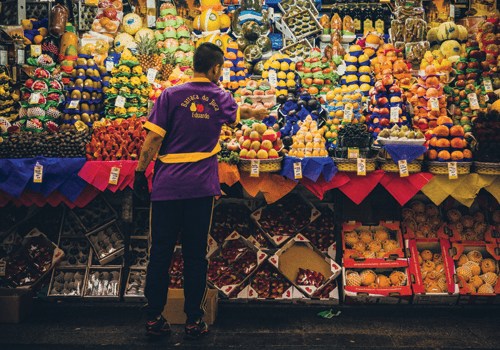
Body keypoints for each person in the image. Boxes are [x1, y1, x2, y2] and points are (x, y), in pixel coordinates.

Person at [133, 43, 267, 340]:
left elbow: (153, 139)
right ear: (216, 68)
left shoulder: (170, 95)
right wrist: (257, 110)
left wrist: (140, 173)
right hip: (200, 190)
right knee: (195, 255)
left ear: (194, 64)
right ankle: (194, 320)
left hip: (167, 187)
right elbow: (239, 114)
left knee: (160, 253)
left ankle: (154, 318)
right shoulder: (221, 98)